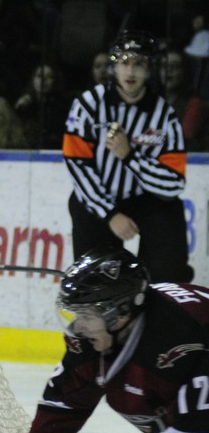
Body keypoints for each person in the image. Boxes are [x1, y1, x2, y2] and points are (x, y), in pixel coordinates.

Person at [0, 248, 209, 433]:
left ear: (122, 312)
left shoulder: (178, 336)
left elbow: (202, 427)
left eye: (87, 315)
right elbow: (72, 391)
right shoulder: (107, 332)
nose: (78, 327)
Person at [63, 31, 191, 282]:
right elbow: (77, 165)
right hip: (98, 201)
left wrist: (130, 156)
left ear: (149, 69)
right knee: (95, 279)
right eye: (124, 63)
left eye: (139, 64)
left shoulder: (164, 115)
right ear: (114, 67)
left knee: (168, 261)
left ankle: (164, 308)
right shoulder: (89, 104)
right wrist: (110, 214)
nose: (130, 72)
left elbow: (174, 182)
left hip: (145, 200)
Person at [14, 62, 72, 149]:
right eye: (39, 76)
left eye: (49, 76)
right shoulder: (25, 104)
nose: (44, 79)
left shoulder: (62, 105)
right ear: (33, 80)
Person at [160, 48, 206, 151]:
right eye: (164, 66)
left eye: (174, 66)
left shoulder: (194, 104)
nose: (168, 70)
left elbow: (183, 140)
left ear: (184, 72)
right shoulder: (154, 100)